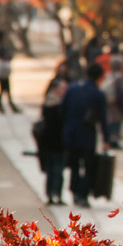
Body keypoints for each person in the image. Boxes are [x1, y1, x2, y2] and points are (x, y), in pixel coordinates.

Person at [60, 63, 110, 208]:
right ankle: (83, 195)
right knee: (88, 166)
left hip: (70, 133)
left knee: (74, 165)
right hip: (87, 134)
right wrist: (106, 139)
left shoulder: (72, 88)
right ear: (100, 77)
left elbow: (62, 110)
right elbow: (103, 119)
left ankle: (75, 192)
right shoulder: (98, 94)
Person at [37, 78, 68, 206]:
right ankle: (57, 194)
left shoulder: (47, 103)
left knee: (51, 170)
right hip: (57, 141)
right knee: (58, 170)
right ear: (55, 89)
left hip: (47, 142)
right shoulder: (59, 105)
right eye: (62, 88)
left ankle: (50, 194)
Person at [101, 56, 123, 149]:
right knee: (117, 123)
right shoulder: (120, 76)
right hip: (117, 103)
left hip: (109, 102)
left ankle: (110, 140)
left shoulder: (107, 75)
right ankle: (114, 141)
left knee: (110, 121)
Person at [0, 31, 20, 113]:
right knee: (4, 89)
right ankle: (1, 104)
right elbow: (5, 56)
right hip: (0, 71)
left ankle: (2, 104)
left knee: (3, 89)